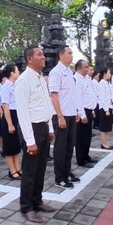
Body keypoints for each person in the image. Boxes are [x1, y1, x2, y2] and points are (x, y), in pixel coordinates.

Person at [15, 46, 56, 223]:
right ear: (29, 59)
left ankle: (37, 201)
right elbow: (22, 113)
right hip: (30, 129)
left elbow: (46, 105)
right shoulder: (24, 80)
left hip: (42, 128)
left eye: (44, 55)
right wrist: (30, 140)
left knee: (40, 169)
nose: (44, 57)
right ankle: (26, 207)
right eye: (40, 55)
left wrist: (50, 129)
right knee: (30, 171)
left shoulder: (40, 78)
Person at [49, 46, 82, 189]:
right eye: (69, 53)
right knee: (60, 148)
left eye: (72, 53)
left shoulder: (69, 72)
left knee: (70, 146)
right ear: (61, 55)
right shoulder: (56, 72)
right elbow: (54, 95)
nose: (71, 56)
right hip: (61, 115)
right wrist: (60, 116)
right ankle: (59, 178)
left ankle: (67, 173)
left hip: (70, 114)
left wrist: (76, 112)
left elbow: (71, 95)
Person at [0, 64, 22, 180]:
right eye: (17, 70)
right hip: (9, 117)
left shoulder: (15, 85)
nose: (19, 72)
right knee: (9, 146)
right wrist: (10, 124)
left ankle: (18, 168)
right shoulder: (6, 86)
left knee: (16, 146)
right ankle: (12, 170)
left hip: (16, 115)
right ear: (12, 73)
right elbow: (5, 106)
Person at [74, 60, 98, 168]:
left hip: (89, 110)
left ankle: (86, 156)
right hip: (82, 110)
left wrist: (92, 110)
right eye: (85, 67)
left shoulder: (85, 79)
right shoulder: (77, 80)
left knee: (87, 136)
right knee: (81, 137)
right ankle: (81, 160)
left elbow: (90, 95)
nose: (88, 69)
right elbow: (77, 98)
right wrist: (82, 114)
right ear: (79, 68)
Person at [97, 69, 113, 150]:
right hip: (104, 108)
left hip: (108, 107)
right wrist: (106, 109)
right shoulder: (101, 84)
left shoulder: (107, 83)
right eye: (109, 73)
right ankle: (103, 144)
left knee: (107, 127)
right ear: (104, 74)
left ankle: (107, 142)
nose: (110, 74)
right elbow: (102, 98)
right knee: (104, 127)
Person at [88, 66, 100, 131]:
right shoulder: (93, 82)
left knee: (97, 114)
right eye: (98, 75)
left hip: (96, 100)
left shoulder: (95, 82)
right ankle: (95, 125)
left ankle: (96, 124)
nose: (99, 77)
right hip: (94, 101)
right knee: (95, 113)